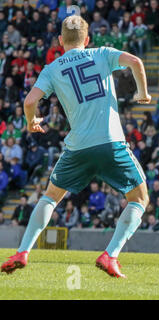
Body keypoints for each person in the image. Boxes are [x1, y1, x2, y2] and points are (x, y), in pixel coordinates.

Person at [1, 16, 151, 278]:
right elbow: (136, 62)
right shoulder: (102, 53)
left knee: (50, 197)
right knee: (139, 198)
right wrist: (142, 93)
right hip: (110, 142)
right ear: (88, 39)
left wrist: (31, 122)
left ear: (60, 41)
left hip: (78, 147)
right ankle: (110, 255)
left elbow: (29, 101)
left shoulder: (52, 68)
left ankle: (23, 252)